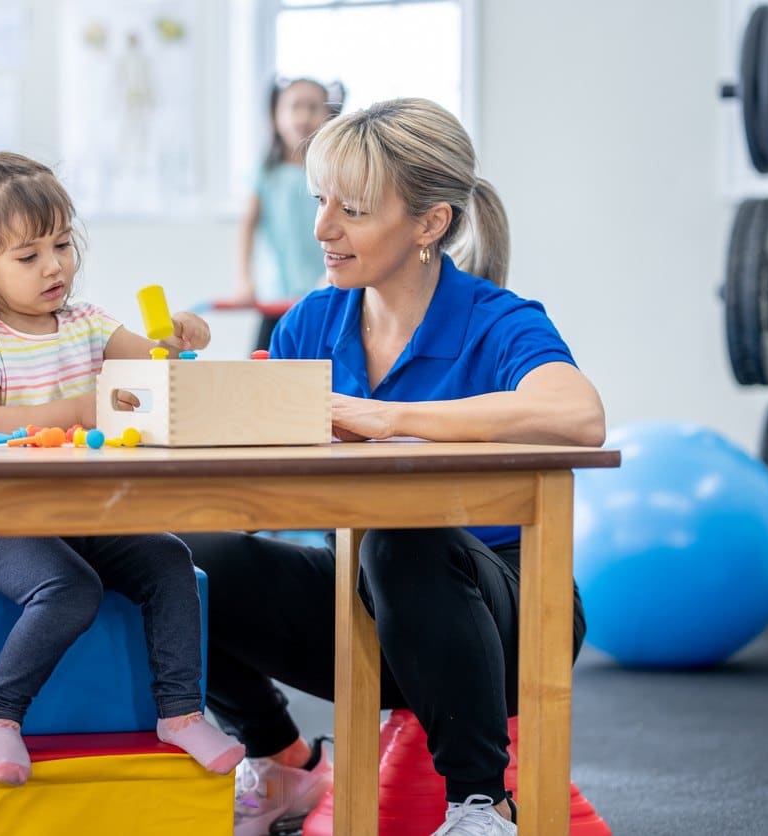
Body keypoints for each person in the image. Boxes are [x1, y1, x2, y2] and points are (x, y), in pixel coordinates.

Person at [182, 98, 605, 836]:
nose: (322, 230)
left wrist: (387, 418)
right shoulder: (311, 321)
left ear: (429, 223)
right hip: (364, 602)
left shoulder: (498, 319)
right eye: (320, 203)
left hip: (507, 615)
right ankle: (283, 762)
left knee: (403, 536)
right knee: (183, 561)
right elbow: (271, 481)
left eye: (351, 210)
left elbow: (579, 415)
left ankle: (482, 804)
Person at [0, 123, 243, 787]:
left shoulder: (90, 323)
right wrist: (71, 412)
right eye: (28, 255)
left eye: (63, 245)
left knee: (168, 559)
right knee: (71, 589)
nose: (54, 266)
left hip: (81, 512)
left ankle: (181, 712)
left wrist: (183, 337)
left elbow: (160, 367)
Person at [235, 76, 344, 350]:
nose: (303, 116)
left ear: (329, 116)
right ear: (276, 115)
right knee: (261, 370)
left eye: (313, 107)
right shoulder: (266, 172)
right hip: (276, 299)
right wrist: (245, 280)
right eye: (294, 107)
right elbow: (247, 226)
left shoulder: (332, 173)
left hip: (325, 294)